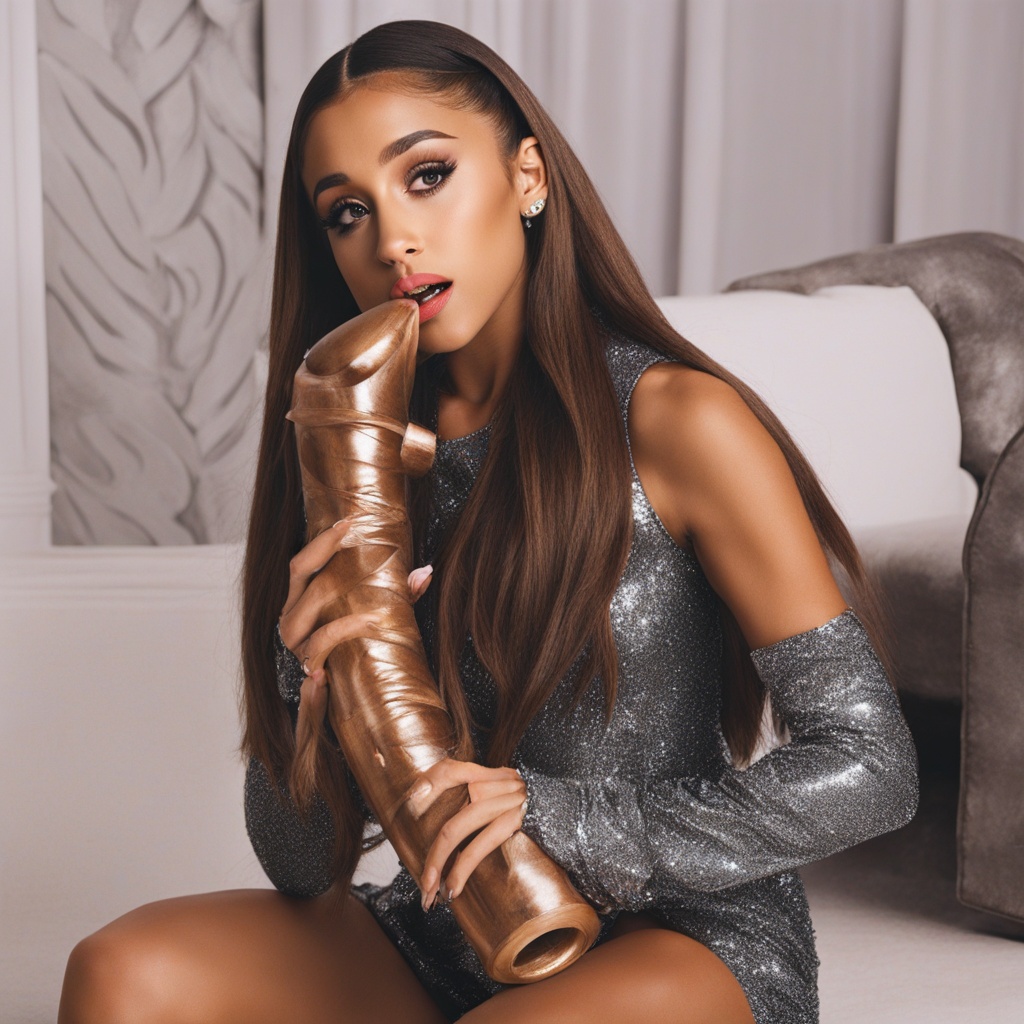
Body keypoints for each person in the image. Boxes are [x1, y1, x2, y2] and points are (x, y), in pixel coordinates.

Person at [58, 19, 919, 1024]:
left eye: (426, 175)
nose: (391, 240)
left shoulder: (678, 420)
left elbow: (873, 766)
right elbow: (298, 867)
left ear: (528, 176)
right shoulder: (354, 446)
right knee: (119, 972)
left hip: (684, 937)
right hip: (451, 930)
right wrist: (308, 690)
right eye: (347, 211)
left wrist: (561, 819)